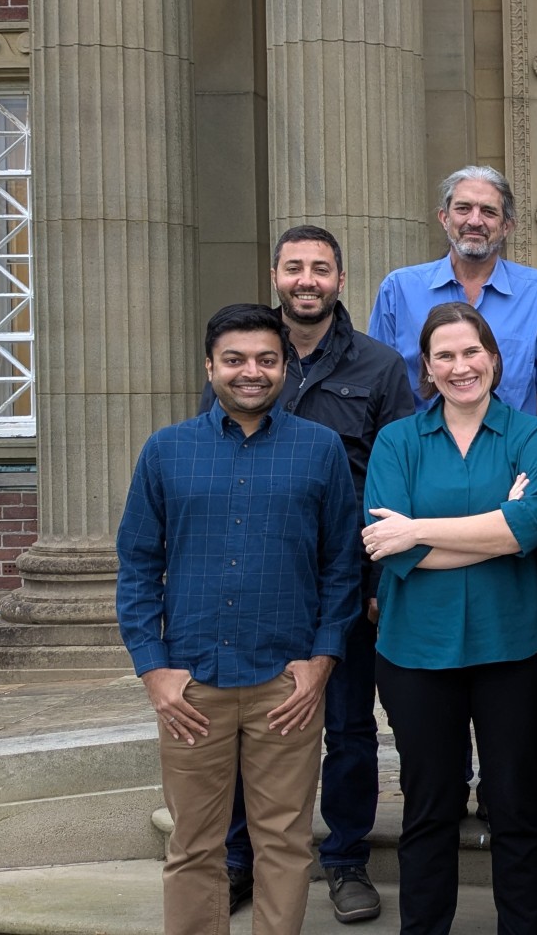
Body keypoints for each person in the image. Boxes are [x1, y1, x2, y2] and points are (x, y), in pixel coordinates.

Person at [117, 303, 360, 935]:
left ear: (284, 367)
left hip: (287, 686)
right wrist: (154, 672)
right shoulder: (167, 451)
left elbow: (341, 564)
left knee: (284, 843)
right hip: (192, 687)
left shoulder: (321, 450)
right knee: (195, 846)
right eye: (235, 360)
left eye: (265, 360)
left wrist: (322, 660)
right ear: (210, 366)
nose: (250, 372)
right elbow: (138, 568)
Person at [203, 227, 412, 924]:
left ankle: (346, 860)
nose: (307, 279)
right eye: (295, 267)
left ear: (341, 281)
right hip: (257, 578)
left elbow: (397, 479)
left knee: (348, 728)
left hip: (345, 582)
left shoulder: (381, 368)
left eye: (320, 268)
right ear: (276, 275)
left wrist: (382, 584)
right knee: (246, 722)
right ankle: (241, 859)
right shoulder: (248, 359)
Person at [360, 302, 537, 935]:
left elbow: (527, 529)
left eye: (471, 352)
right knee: (429, 809)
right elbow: (382, 543)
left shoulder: (531, 435)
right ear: (426, 366)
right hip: (417, 654)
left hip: (515, 651)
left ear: (494, 359)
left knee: (516, 807)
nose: (460, 366)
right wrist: (490, 530)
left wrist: (418, 530)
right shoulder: (397, 440)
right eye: (444, 355)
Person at [370, 166, 537, 428]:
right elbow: (377, 381)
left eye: (488, 211)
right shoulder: (398, 290)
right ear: (444, 218)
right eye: (463, 208)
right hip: (420, 458)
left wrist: (536, 453)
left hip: (511, 459)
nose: (475, 220)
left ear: (507, 225)